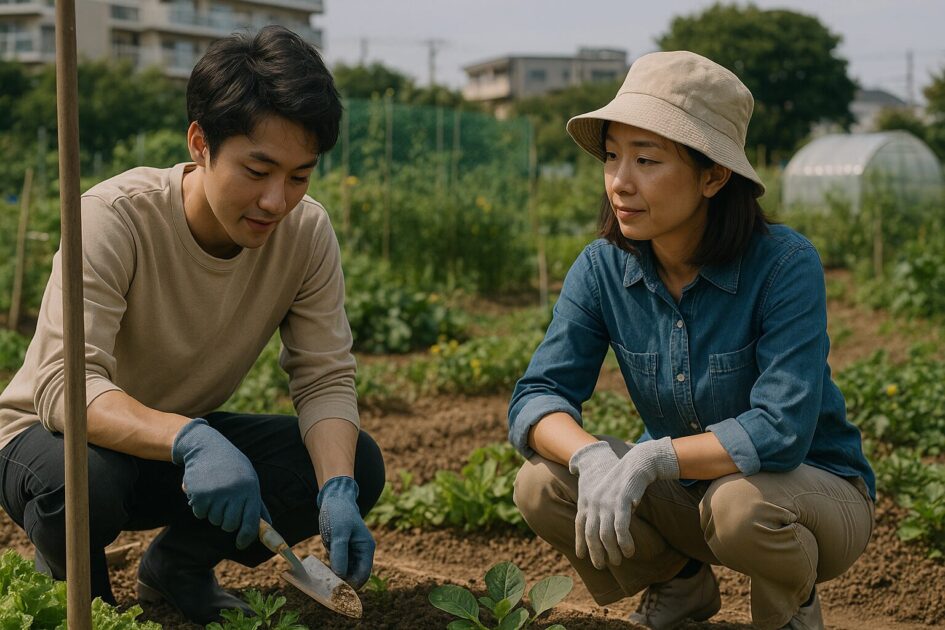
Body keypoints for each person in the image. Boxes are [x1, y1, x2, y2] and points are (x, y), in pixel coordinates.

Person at [0, 26, 384, 625]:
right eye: (257, 170)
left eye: (300, 175)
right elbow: (61, 386)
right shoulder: (114, 218)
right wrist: (191, 439)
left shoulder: (306, 233)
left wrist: (336, 487)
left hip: (173, 450)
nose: (276, 201)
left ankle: (175, 568)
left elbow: (324, 375)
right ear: (200, 142)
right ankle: (80, 596)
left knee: (354, 461)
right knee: (87, 482)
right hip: (51, 441)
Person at [508, 51, 875, 630]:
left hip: (809, 497)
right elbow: (537, 396)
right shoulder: (603, 267)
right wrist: (591, 454)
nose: (619, 182)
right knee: (541, 485)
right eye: (611, 156)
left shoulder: (784, 265)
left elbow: (781, 429)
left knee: (739, 505)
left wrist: (656, 454)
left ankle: (790, 607)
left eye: (647, 159)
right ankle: (680, 586)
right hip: (688, 493)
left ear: (713, 175)